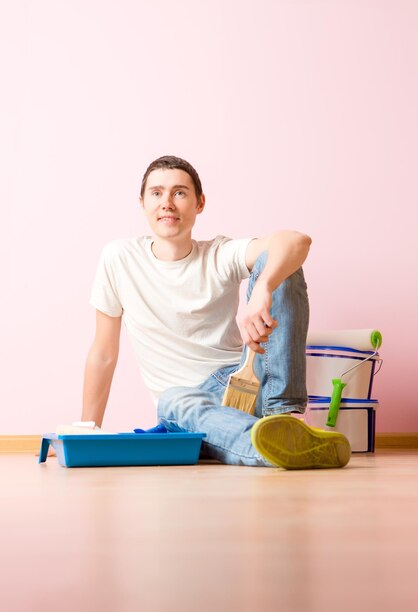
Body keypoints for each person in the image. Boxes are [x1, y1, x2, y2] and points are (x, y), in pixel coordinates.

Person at [83, 155, 351, 470]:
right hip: (190, 404)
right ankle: (278, 446)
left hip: (247, 382)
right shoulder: (119, 258)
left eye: (179, 193)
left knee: (279, 262)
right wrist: (86, 433)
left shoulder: (218, 255)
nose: (167, 203)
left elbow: (296, 241)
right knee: (173, 401)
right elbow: (103, 353)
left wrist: (264, 286)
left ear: (199, 203)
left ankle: (284, 419)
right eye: (156, 193)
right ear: (142, 202)